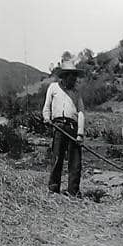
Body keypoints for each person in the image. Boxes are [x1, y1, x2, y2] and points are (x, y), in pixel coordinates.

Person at [41, 66, 83, 197]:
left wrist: (80, 133)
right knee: (57, 158)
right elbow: (47, 105)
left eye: (75, 77)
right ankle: (53, 189)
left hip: (72, 128)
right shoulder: (53, 88)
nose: (74, 79)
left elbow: (81, 112)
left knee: (75, 162)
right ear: (65, 76)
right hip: (59, 126)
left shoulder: (76, 93)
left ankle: (73, 192)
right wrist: (47, 117)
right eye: (72, 76)